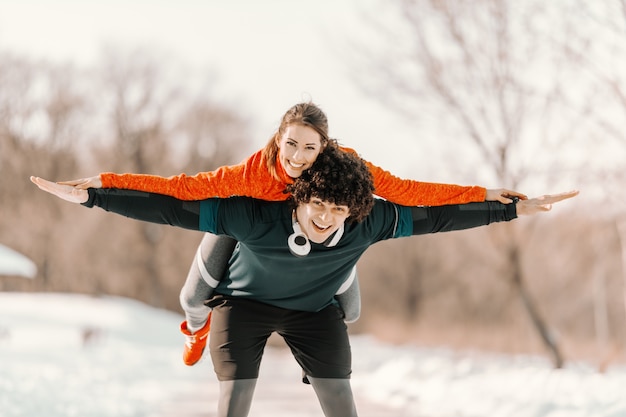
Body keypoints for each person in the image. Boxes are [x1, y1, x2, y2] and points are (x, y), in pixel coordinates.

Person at [30, 144, 577, 417]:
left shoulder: (370, 220)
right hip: (242, 302)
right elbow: (173, 208)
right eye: (317, 203)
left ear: (354, 209)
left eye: (339, 209)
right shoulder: (256, 212)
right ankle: (196, 327)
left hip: (315, 309)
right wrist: (95, 195)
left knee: (341, 390)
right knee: (232, 387)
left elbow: (436, 215)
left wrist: (509, 209)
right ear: (300, 196)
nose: (325, 217)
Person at [55, 102, 526, 366]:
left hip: (318, 244)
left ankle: (316, 361)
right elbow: (180, 190)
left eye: (310, 147)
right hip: (248, 231)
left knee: (353, 311)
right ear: (278, 139)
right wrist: (104, 184)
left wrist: (489, 194)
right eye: (292, 145)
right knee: (194, 292)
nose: (299, 157)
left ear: (326, 148)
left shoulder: (341, 170)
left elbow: (409, 191)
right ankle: (195, 330)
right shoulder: (249, 177)